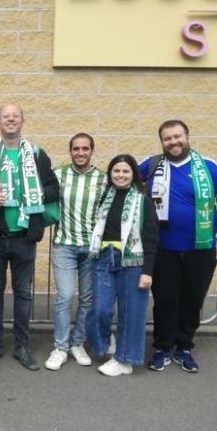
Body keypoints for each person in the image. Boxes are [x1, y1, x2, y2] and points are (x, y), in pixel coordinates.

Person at [0, 104, 58, 371]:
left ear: (23, 121)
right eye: (6, 116)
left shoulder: (37, 155)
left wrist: (32, 193)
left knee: (23, 294)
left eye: (15, 116)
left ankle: (22, 346)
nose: (11, 120)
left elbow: (53, 188)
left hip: (24, 236)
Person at [141, 120, 217, 373]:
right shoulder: (151, 165)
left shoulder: (208, 167)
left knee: (192, 300)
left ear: (187, 136)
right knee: (165, 300)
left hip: (201, 249)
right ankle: (163, 348)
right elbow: (124, 181)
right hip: (164, 249)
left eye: (177, 136)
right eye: (167, 138)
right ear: (162, 142)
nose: (173, 142)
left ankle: (185, 346)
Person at [86, 154, 158, 377]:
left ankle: (125, 360)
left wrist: (147, 272)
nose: (121, 175)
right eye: (116, 171)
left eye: (126, 171)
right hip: (105, 258)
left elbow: (151, 237)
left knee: (131, 313)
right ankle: (108, 343)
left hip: (133, 260)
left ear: (133, 175)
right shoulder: (104, 198)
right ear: (110, 174)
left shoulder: (142, 200)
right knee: (99, 309)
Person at [45, 133, 107, 371]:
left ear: (92, 151)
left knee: (87, 299)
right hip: (65, 246)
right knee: (65, 296)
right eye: (76, 149)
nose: (80, 153)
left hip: (92, 249)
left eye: (85, 149)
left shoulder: (103, 179)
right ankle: (60, 347)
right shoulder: (58, 175)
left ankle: (77, 343)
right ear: (70, 151)